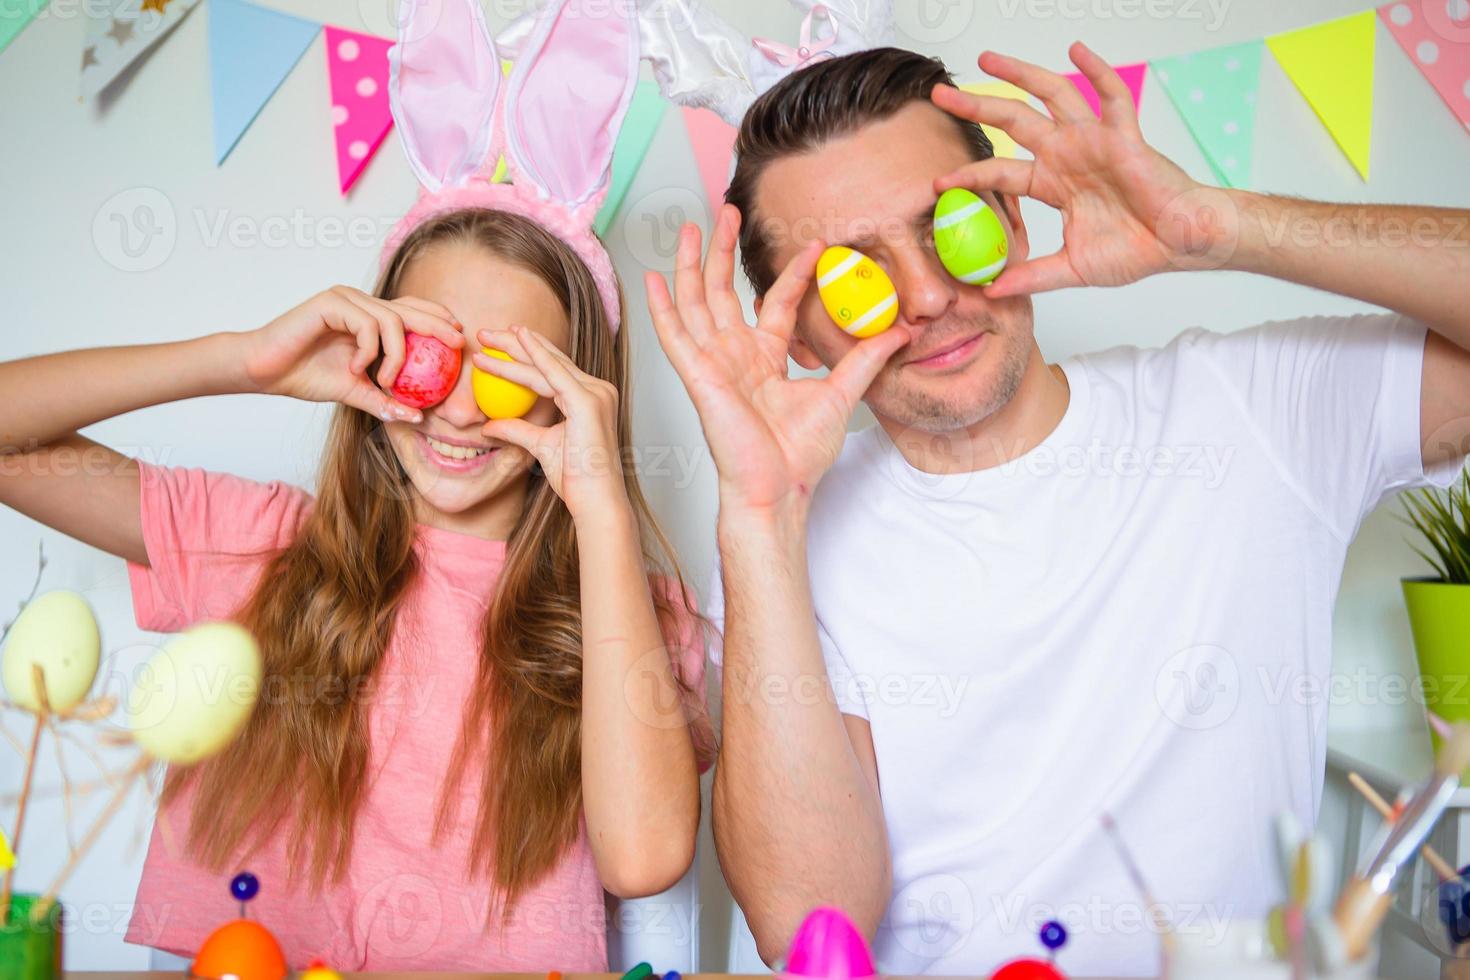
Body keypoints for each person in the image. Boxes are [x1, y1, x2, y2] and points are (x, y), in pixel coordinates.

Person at [644, 42, 1470, 976]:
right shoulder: (782, 536)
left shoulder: (1250, 412)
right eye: (853, 275)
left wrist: (1220, 224)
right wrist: (760, 517)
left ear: (1014, 216)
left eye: (953, 224)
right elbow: (808, 925)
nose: (926, 295)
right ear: (791, 327)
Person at [0, 0, 713, 969]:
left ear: (574, 394)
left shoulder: (627, 608)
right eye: (428, 351)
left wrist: (601, 507)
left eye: (509, 372)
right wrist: (240, 359)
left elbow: (647, 856)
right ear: (375, 353)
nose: (459, 409)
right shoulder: (266, 544)